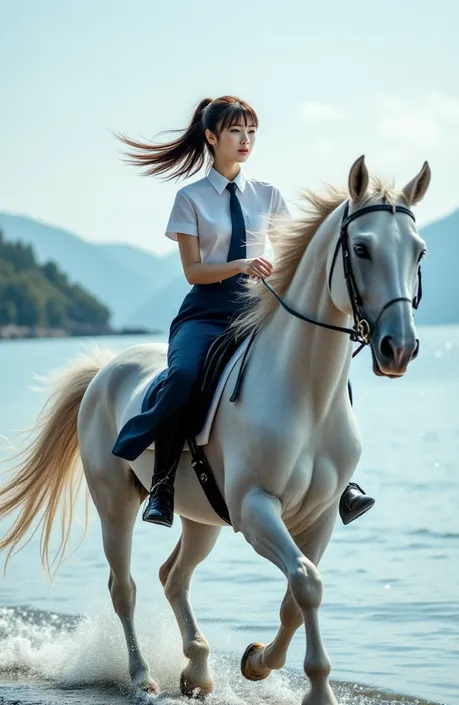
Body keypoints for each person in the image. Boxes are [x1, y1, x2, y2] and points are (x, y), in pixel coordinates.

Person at [112, 95, 375, 528]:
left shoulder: (267, 195)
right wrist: (238, 265)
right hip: (206, 311)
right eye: (236, 131)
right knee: (181, 377)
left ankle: (342, 481)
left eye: (251, 132)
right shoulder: (190, 199)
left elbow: (295, 256)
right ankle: (161, 485)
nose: (246, 140)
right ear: (212, 137)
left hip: (259, 307)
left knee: (328, 367)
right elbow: (194, 272)